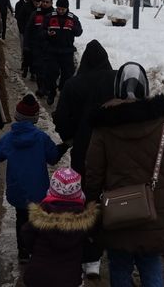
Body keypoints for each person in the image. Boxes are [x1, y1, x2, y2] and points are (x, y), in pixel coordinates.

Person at [84, 62, 164, 287]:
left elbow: (93, 172)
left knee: (120, 266)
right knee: (151, 265)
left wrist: (91, 206)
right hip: (156, 210)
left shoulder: (103, 126)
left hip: (116, 211)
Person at [52, 39, 116, 277]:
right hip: (114, 150)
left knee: (87, 198)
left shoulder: (74, 84)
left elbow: (62, 119)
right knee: (112, 195)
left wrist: (70, 137)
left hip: (84, 150)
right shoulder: (115, 81)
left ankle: (90, 256)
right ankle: (113, 240)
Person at [0, 94, 66, 263]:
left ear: (17, 116)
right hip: (38, 190)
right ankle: (37, 249)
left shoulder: (9, 138)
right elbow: (53, 157)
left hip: (17, 188)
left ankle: (23, 252)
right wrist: (64, 146)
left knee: (21, 218)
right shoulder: (40, 138)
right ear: (35, 118)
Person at [21, 168, 99, 287]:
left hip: (38, 277)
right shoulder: (85, 223)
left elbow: (26, 235)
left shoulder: (39, 217)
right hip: (70, 279)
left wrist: (35, 250)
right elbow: (92, 250)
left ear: (51, 191)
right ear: (79, 194)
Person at [42, 0, 83, 105]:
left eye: (62, 9)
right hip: (52, 51)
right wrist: (47, 34)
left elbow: (79, 32)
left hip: (67, 51)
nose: (60, 11)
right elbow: (41, 31)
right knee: (51, 73)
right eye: (58, 9)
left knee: (67, 74)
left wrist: (72, 28)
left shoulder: (73, 18)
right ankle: (51, 91)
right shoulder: (49, 17)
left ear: (67, 9)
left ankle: (62, 90)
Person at [24, 0, 53, 93]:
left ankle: (48, 87)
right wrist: (26, 44)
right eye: (43, 2)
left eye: (47, 2)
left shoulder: (55, 15)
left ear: (51, 3)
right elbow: (28, 29)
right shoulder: (36, 13)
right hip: (37, 45)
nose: (45, 4)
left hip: (51, 47)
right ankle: (41, 88)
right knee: (39, 68)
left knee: (50, 69)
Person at [14, 0, 34, 77]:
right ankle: (24, 63)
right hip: (23, 30)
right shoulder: (19, 4)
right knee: (24, 47)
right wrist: (21, 29)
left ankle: (30, 65)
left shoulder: (33, 4)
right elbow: (18, 17)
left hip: (32, 30)